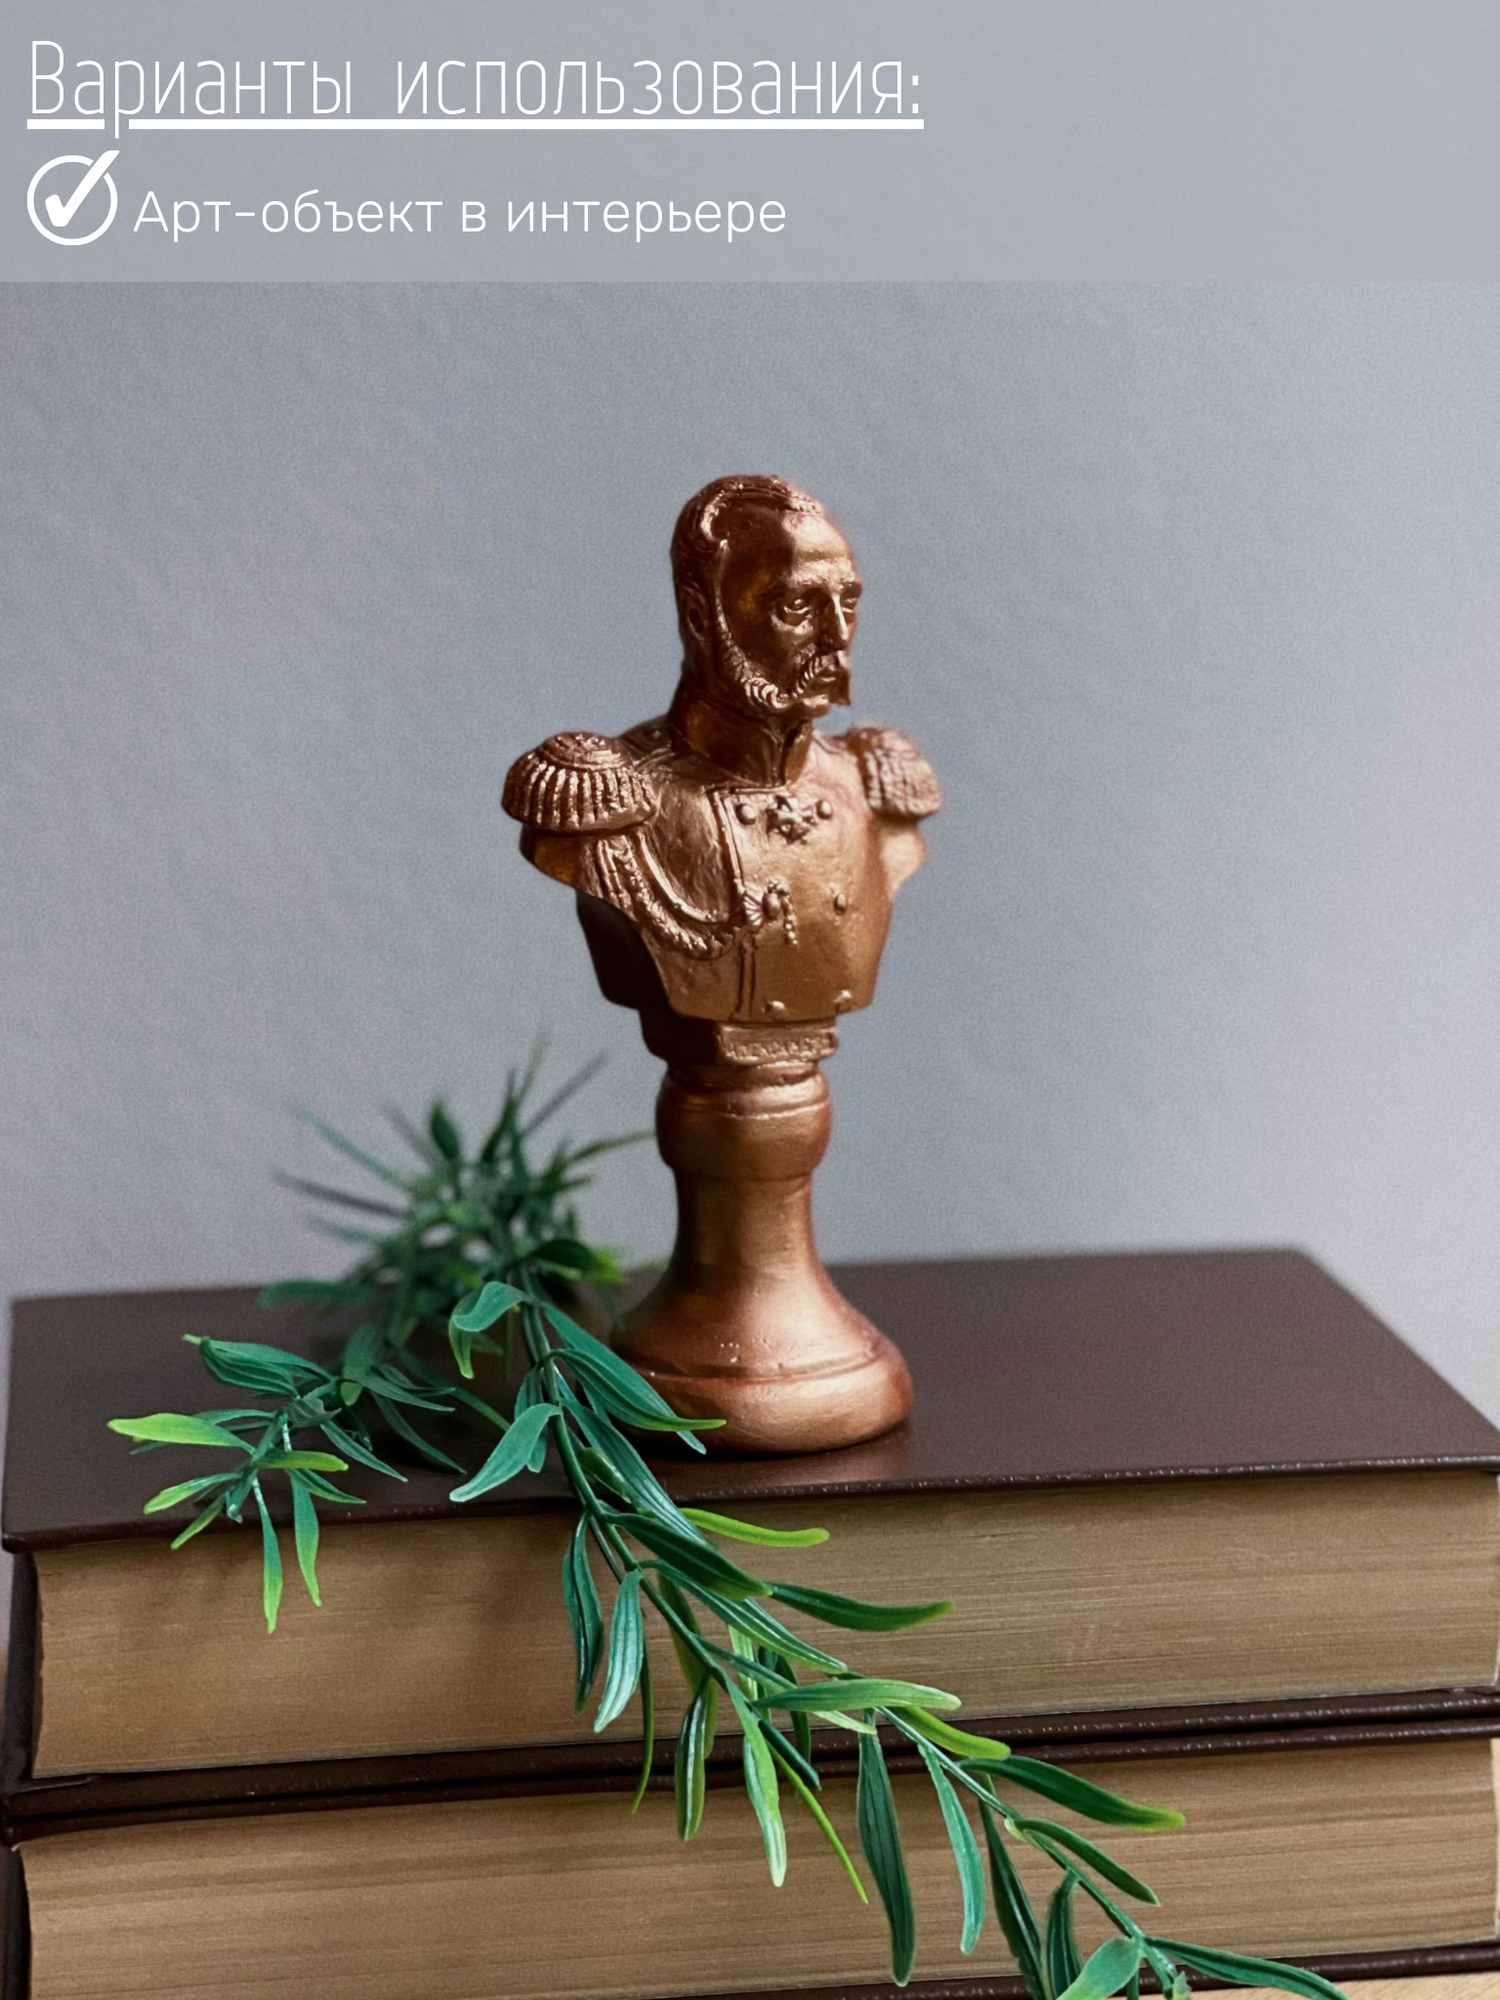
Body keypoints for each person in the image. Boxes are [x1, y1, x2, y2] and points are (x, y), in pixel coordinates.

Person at [503, 475, 940, 1052]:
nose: (837, 637)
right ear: (700, 617)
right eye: (796, 606)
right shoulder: (613, 805)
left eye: (849, 603)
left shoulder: (871, 786)